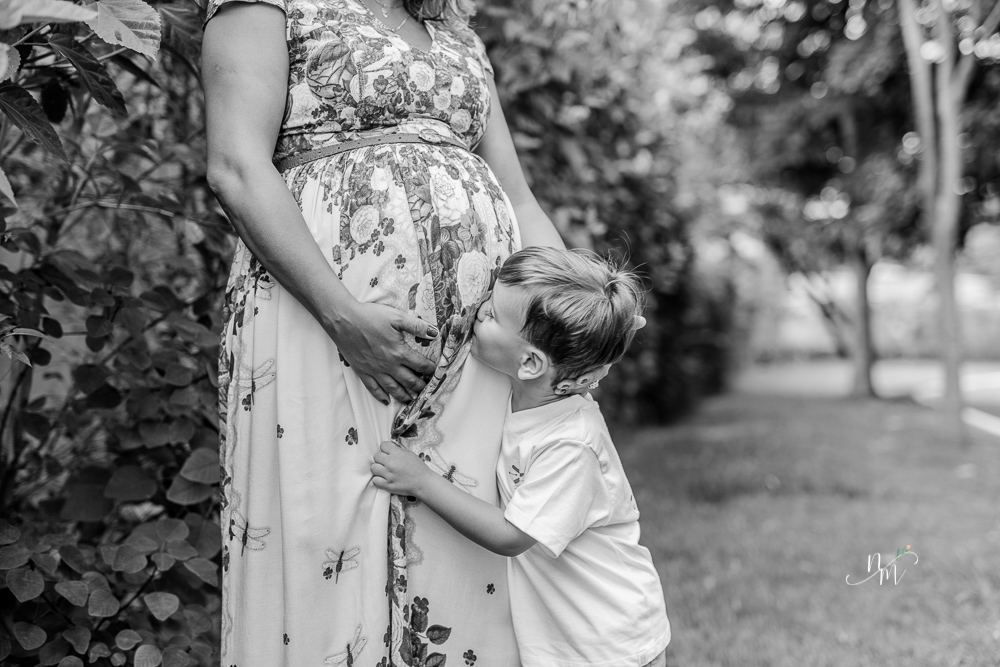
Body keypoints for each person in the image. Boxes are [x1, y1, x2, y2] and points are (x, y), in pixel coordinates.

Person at [201, 0, 563, 664]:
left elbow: (519, 197)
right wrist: (343, 316)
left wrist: (573, 326)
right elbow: (236, 168)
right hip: (320, 323)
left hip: (477, 358)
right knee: (326, 540)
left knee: (463, 554)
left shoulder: (454, 27)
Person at [371, 246, 671, 667]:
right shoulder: (534, 396)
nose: (477, 315)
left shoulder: (570, 444)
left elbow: (512, 536)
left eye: (491, 315)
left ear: (530, 362)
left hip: (608, 640)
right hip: (572, 630)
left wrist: (421, 480)